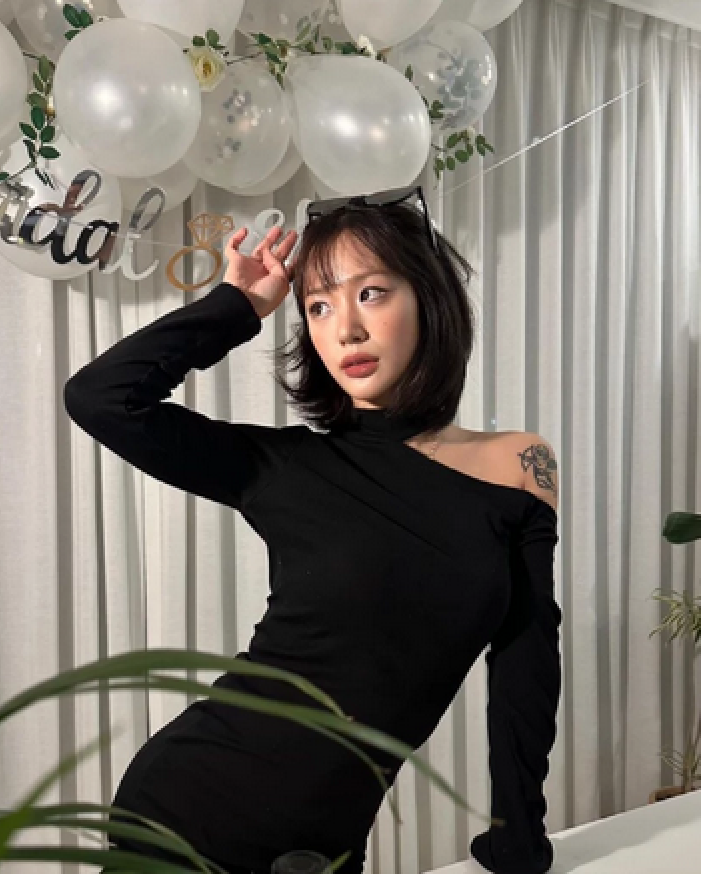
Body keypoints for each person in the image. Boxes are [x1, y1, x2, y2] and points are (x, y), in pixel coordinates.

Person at [63, 186, 562, 874]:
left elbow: (527, 663)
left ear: (429, 299)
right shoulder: (286, 468)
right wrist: (238, 306)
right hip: (185, 819)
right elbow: (100, 397)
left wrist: (518, 840)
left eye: (371, 293)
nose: (345, 329)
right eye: (318, 306)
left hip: (325, 848)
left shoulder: (520, 465)